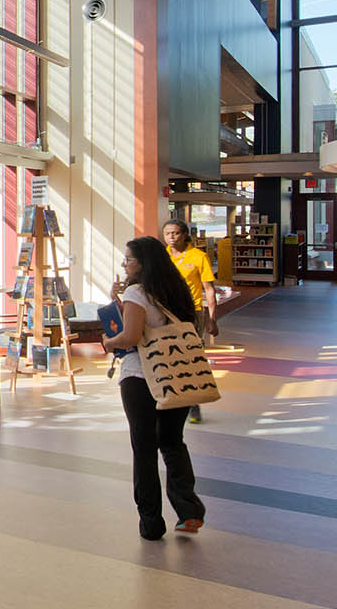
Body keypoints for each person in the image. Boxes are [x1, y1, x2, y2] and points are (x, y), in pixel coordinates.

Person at [102, 236, 206, 540]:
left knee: (144, 449)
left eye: (128, 260)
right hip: (178, 373)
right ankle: (189, 512)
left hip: (141, 376)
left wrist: (109, 342)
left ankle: (151, 522)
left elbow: (131, 336)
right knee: (173, 441)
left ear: (143, 264)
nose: (124, 264)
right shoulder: (176, 289)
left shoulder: (137, 292)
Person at [161, 220, 218, 424]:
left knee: (191, 359)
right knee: (166, 358)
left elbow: (209, 290)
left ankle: (193, 405)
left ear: (185, 234)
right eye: (168, 233)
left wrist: (212, 319)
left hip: (191, 314)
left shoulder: (198, 257)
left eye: (176, 233)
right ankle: (171, 400)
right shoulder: (161, 257)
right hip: (165, 313)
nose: (172, 237)